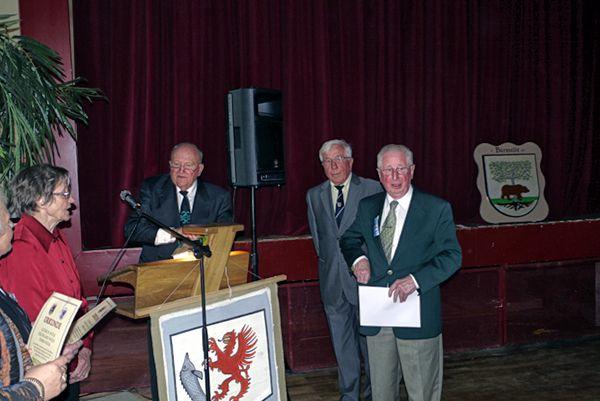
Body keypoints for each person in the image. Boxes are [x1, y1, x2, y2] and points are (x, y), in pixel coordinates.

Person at [340, 144, 462, 401]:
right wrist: (359, 260)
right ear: (379, 173)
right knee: (381, 394)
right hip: (379, 317)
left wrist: (416, 280)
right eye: (388, 170)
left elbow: (452, 256)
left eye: (400, 169)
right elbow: (348, 239)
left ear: (412, 171)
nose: (394, 177)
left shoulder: (436, 208)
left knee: (422, 393)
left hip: (417, 316)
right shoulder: (368, 206)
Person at [0, 165, 93, 401]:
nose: (71, 200)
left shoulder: (56, 236)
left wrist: (85, 349)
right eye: (64, 193)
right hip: (41, 372)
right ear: (41, 200)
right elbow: (29, 326)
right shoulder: (19, 247)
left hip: (67, 359)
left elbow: (77, 302)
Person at [306, 139, 381, 401]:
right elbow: (319, 239)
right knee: (342, 346)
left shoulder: (373, 188)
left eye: (338, 159)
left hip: (366, 281)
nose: (333, 165)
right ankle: (348, 395)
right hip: (332, 283)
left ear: (350, 161)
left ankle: (375, 394)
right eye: (327, 161)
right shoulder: (314, 195)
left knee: (371, 345)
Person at [124, 142, 233, 263]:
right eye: (176, 165)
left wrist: (202, 238)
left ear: (199, 169)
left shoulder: (218, 197)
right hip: (156, 269)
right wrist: (173, 233)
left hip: (201, 269)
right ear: (170, 165)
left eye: (188, 165)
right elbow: (132, 229)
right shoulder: (152, 189)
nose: (181, 171)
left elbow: (225, 237)